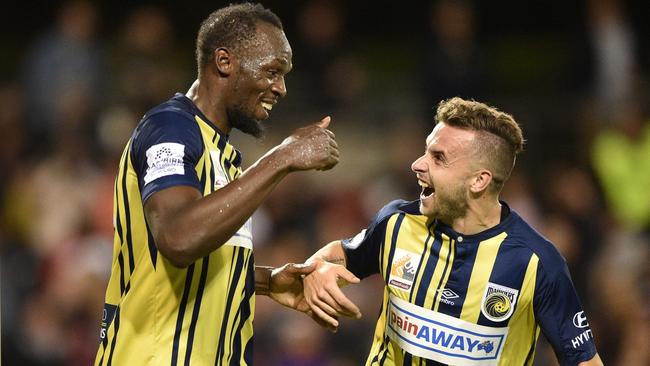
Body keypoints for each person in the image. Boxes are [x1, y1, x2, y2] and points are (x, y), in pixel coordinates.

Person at [94, 4, 340, 365]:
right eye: (272, 71)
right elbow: (177, 237)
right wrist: (282, 158)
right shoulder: (171, 128)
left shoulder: (222, 155)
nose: (281, 88)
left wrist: (267, 282)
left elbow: (184, 265)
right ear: (224, 62)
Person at [301, 97, 603, 365]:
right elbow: (341, 255)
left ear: (479, 181)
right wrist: (318, 268)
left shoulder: (538, 263)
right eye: (425, 152)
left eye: (438, 157)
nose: (417, 165)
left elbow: (583, 360)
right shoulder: (396, 222)